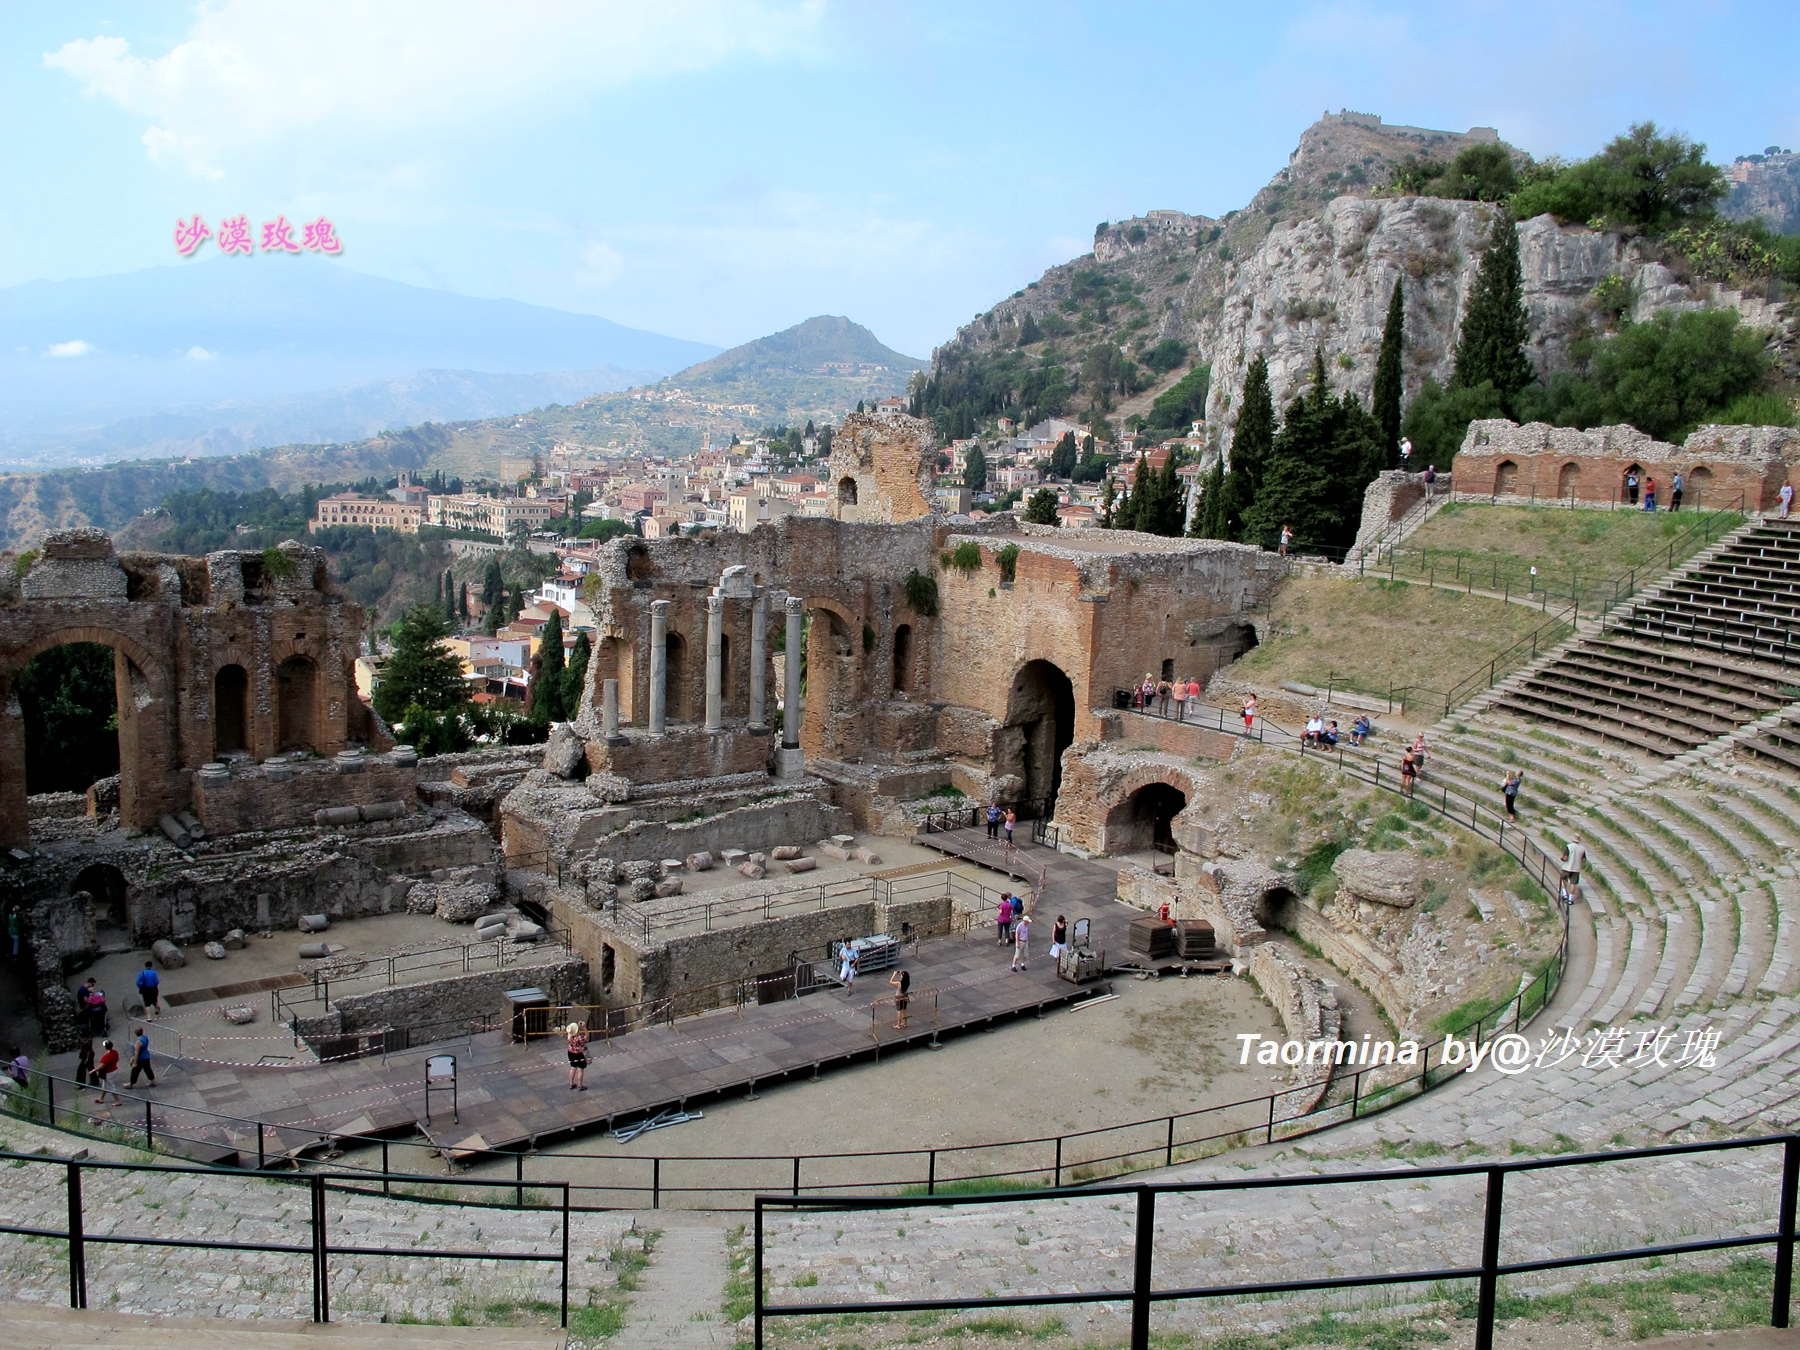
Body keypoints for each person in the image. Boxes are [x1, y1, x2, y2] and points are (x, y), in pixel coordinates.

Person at [94, 1040, 122, 1106]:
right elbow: (117, 1060)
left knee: (111, 1087)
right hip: (114, 1070)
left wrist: (94, 1070)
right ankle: (101, 1099)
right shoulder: (115, 1052)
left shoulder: (107, 1056)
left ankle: (118, 1101)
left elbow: (102, 1066)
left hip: (109, 1073)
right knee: (105, 1086)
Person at [565, 1021, 589, 1091]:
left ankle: (571, 1083)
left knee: (573, 1068)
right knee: (580, 1070)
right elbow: (587, 1036)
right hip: (579, 1054)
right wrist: (584, 1027)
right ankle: (580, 1085)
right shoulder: (580, 1038)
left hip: (570, 1053)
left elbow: (572, 1032)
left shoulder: (569, 1036)